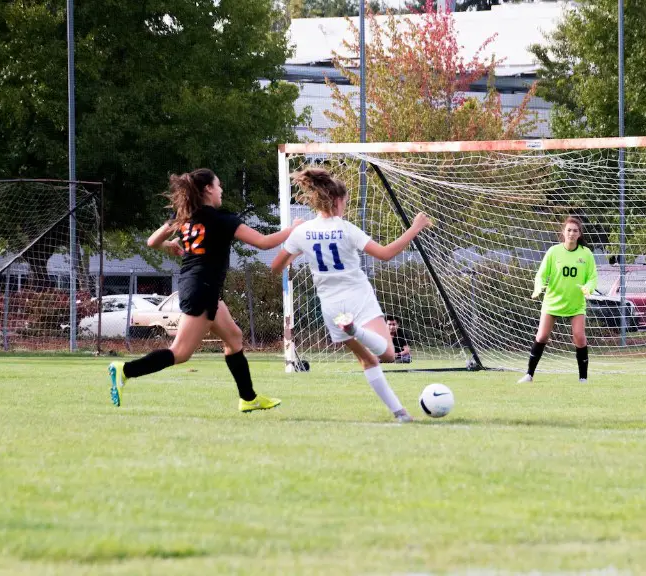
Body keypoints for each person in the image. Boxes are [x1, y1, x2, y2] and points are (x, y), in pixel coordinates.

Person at [107, 168, 302, 412]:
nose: (221, 190)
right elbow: (263, 243)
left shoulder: (185, 216)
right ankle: (125, 371)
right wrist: (295, 229)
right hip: (202, 289)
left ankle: (248, 398)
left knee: (234, 338)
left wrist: (169, 244)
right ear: (209, 189)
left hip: (198, 286)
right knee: (180, 353)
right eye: (218, 185)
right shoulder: (223, 219)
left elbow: (151, 241)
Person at [270, 168, 432, 422]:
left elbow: (277, 266)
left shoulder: (301, 232)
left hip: (331, 305)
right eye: (345, 202)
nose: (345, 207)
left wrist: (298, 247)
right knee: (388, 354)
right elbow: (385, 254)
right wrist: (415, 228)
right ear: (337, 201)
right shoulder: (346, 228)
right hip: (358, 295)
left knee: (368, 360)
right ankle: (355, 329)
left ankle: (400, 413)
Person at [519, 215, 598, 384]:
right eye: (568, 230)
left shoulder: (586, 254)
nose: (571, 233)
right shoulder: (553, 252)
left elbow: (592, 277)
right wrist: (538, 287)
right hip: (552, 302)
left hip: (575, 303)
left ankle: (583, 378)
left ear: (579, 234)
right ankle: (529, 375)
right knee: (541, 337)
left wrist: (588, 288)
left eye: (575, 231)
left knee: (580, 337)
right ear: (563, 232)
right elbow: (541, 274)